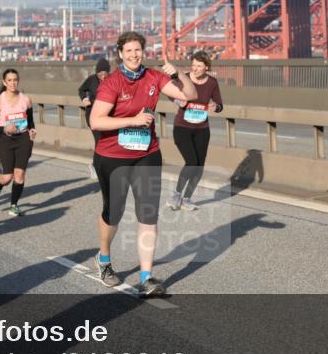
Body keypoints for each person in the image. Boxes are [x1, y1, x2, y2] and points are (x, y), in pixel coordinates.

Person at [88, 32, 197, 298]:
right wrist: (132, 120)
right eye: (129, 51)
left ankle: (146, 277)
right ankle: (104, 259)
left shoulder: (154, 77)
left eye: (138, 50)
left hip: (147, 153)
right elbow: (96, 121)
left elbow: (189, 98)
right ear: (120, 53)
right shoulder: (112, 83)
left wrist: (179, 74)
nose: (134, 55)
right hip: (112, 155)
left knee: (147, 214)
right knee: (113, 212)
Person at [167, 50, 224, 211]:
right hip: (182, 127)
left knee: (199, 166)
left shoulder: (212, 83)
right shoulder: (183, 78)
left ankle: (187, 199)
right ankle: (176, 195)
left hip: (202, 129)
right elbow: (169, 93)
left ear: (207, 67)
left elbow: (220, 104)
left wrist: (216, 107)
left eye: (199, 66)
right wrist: (179, 101)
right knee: (191, 162)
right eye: (193, 65)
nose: (195, 69)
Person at [0, 69, 37, 216]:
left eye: (15, 80)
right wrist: (4, 128)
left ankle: (14, 205)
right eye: (9, 80)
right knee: (7, 177)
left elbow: (30, 121)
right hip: (5, 139)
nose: (13, 83)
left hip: (23, 138)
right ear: (4, 82)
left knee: (20, 174)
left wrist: (32, 130)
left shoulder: (25, 99)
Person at [78, 57, 111, 179]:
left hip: (108, 116)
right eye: (100, 73)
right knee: (100, 141)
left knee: (108, 141)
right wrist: (84, 99)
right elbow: (81, 90)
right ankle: (95, 166)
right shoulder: (92, 79)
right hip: (92, 115)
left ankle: (104, 165)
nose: (102, 76)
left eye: (104, 73)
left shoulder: (112, 80)